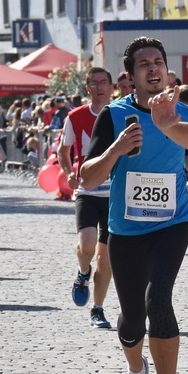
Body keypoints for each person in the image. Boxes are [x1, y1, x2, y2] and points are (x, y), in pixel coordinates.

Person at [79, 39, 188, 374]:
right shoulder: (114, 116)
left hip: (172, 224)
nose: (153, 69)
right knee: (133, 319)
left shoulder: (184, 113)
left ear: (167, 71)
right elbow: (88, 177)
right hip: (126, 229)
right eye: (144, 65)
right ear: (131, 76)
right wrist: (117, 149)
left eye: (159, 63)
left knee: (159, 299)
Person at [60, 66, 117, 329]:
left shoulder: (120, 115)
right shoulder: (76, 116)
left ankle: (98, 309)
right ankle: (83, 272)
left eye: (103, 82)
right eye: (94, 83)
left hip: (114, 193)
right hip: (87, 190)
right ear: (87, 88)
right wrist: (68, 172)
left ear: (111, 86)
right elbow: (65, 149)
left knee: (106, 259)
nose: (99, 87)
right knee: (87, 245)